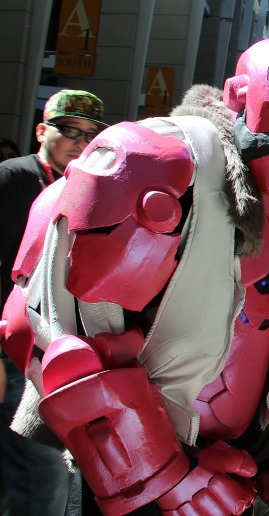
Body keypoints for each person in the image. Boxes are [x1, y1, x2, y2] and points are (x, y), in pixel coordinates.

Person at [1, 16, 269, 515]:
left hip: (241, 451)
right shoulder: (165, 165)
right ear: (240, 96)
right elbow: (52, 335)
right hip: (145, 454)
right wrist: (162, 473)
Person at [0, 88, 106, 516]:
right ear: (42, 131)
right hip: (14, 349)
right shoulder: (12, 177)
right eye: (69, 130)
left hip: (57, 351)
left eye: (91, 134)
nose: (81, 142)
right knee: (43, 476)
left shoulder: (92, 187)